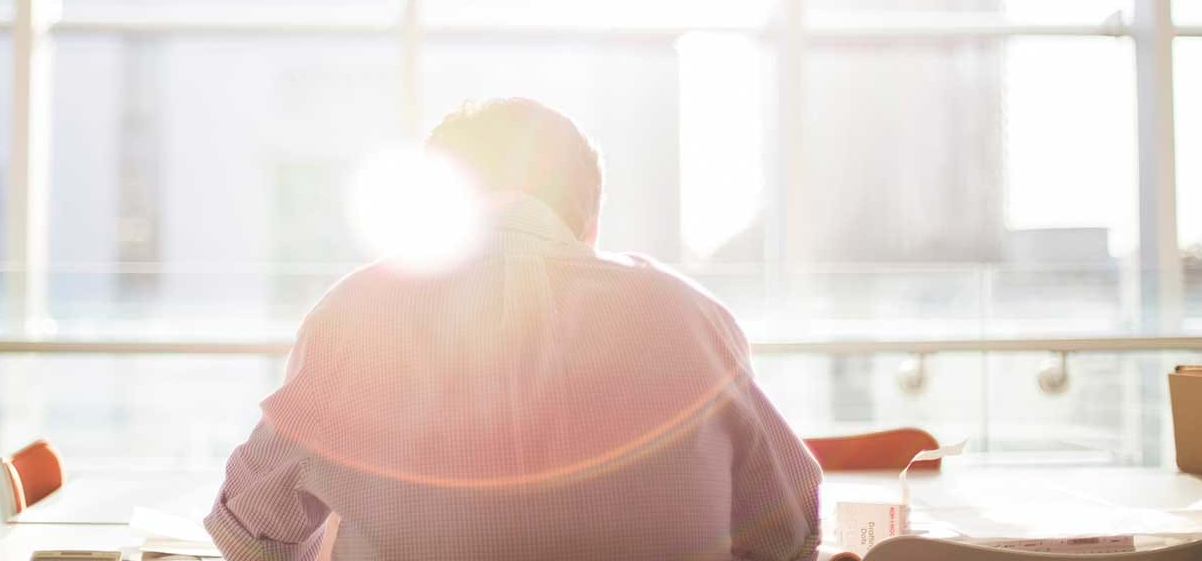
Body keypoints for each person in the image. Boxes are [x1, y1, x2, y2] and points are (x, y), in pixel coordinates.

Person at [206, 98, 821, 560]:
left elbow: (250, 533)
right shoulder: (691, 318)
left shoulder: (357, 313)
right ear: (591, 219)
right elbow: (789, 531)